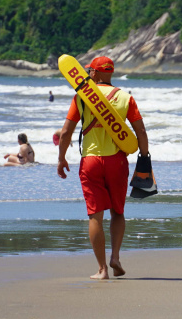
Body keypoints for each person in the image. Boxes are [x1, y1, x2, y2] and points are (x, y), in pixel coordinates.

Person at [56, 56, 149, 280]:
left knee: (95, 216)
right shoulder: (126, 97)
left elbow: (66, 132)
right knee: (118, 212)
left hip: (91, 162)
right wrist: (144, 157)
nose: (88, 73)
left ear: (95, 73)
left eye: (90, 70)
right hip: (117, 161)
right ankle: (115, 257)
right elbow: (140, 131)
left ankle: (102, 270)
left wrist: (61, 158)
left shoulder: (81, 96)